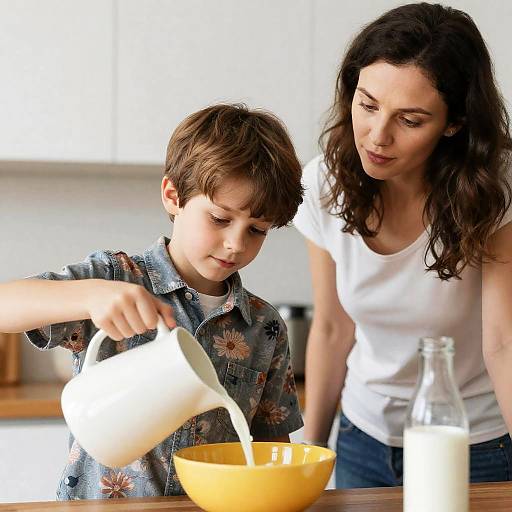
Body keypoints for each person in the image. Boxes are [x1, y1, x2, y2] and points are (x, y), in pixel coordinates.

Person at [0, 104, 304, 499]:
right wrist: (90, 295)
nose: (236, 244)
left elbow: (269, 445)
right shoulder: (114, 278)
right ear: (173, 196)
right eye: (219, 219)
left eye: (257, 230)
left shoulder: (264, 326)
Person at [293, 2, 512, 489]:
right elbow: (331, 328)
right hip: (362, 437)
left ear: (453, 123)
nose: (377, 135)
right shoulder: (324, 184)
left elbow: (503, 342)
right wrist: (308, 455)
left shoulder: (495, 192)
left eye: (410, 121)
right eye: (367, 105)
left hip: (472, 444)